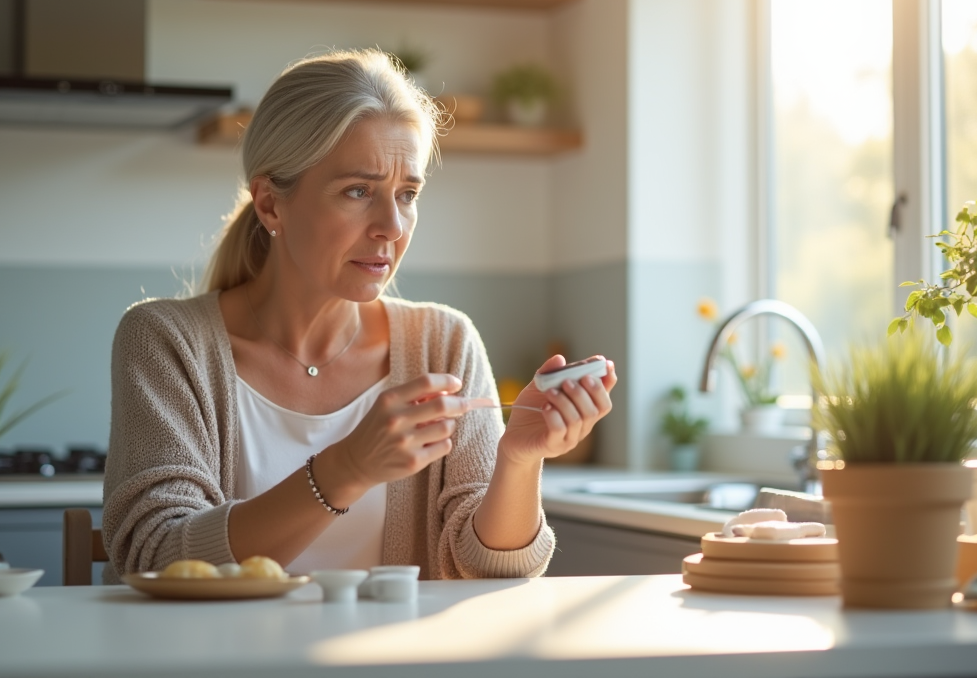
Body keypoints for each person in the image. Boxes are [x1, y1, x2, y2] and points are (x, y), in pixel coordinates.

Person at [102, 49, 616, 581]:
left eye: (407, 194)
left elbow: (489, 572)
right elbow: (156, 557)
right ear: (271, 204)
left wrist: (519, 459)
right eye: (358, 191)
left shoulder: (444, 344)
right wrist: (345, 469)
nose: (392, 226)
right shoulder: (166, 342)